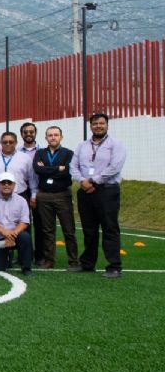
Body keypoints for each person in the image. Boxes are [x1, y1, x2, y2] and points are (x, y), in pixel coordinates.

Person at [70, 113, 126, 278]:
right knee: (89, 229)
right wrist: (82, 181)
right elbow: (73, 166)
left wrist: (93, 181)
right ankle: (87, 263)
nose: (98, 126)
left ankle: (114, 266)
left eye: (102, 123)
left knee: (110, 228)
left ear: (107, 125)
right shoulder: (82, 146)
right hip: (85, 191)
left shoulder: (116, 144)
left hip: (107, 190)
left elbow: (115, 166)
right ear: (91, 126)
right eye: (95, 124)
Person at [32, 126, 79, 270]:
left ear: (61, 137)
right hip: (44, 195)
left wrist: (48, 170)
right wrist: (58, 168)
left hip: (62, 194)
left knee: (68, 229)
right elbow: (37, 169)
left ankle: (73, 261)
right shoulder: (40, 153)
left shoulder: (68, 153)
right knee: (47, 230)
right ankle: (49, 260)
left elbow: (67, 172)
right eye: (50, 135)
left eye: (56, 135)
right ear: (46, 138)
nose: (53, 137)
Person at [0, 172, 33, 276]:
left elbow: (25, 222)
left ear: (14, 185)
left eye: (9, 183)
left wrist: (12, 234)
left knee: (25, 238)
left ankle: (26, 268)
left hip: (16, 237)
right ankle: (7, 257)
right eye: (3, 183)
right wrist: (4, 232)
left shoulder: (21, 200)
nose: (6, 185)